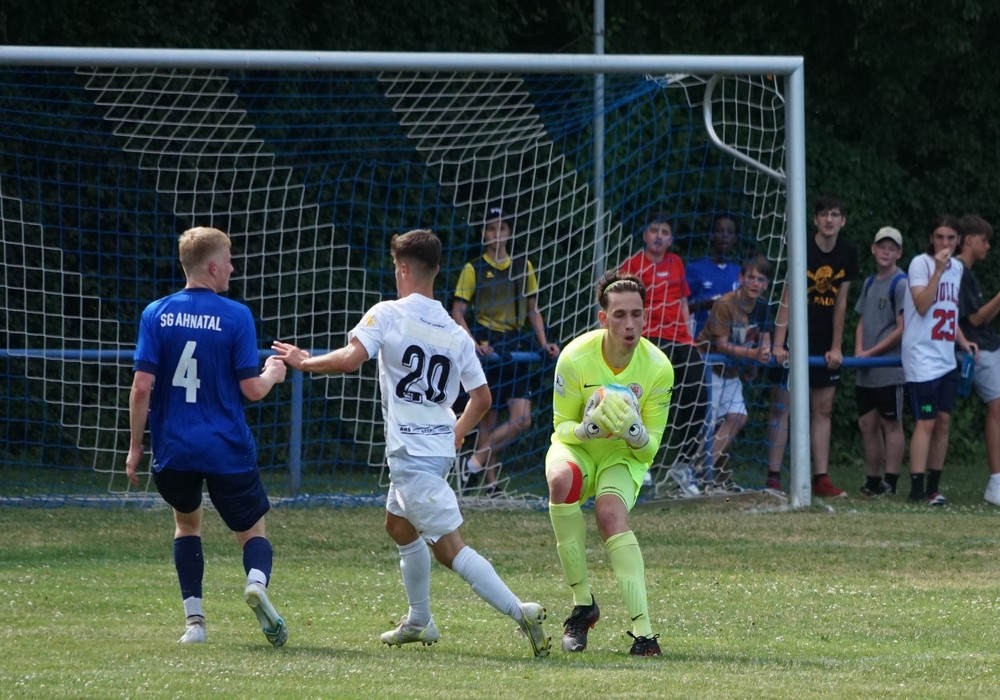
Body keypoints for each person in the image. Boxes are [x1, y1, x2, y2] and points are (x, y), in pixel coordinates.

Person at [271, 229, 550, 657]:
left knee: (450, 549)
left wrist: (304, 361)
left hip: (411, 454)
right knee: (398, 526)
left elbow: (350, 359)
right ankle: (420, 621)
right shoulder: (456, 331)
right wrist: (456, 433)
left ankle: (519, 611)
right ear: (436, 270)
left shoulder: (388, 313)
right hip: (434, 451)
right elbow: (482, 399)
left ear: (402, 269)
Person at [125, 226, 289, 646]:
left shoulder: (156, 313)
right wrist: (272, 373)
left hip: (175, 449)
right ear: (213, 267)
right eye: (229, 261)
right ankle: (256, 583)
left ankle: (194, 624)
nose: (233, 268)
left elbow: (141, 387)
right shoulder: (236, 316)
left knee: (186, 525)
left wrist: (136, 445)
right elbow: (252, 390)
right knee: (253, 532)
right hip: (225, 448)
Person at [546, 269, 674, 657]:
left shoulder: (658, 367)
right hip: (580, 447)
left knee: (609, 516)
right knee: (561, 480)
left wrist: (635, 433)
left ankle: (645, 636)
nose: (629, 324)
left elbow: (650, 449)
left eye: (636, 314)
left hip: (623, 454)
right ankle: (583, 606)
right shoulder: (574, 358)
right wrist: (586, 430)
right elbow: (560, 426)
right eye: (619, 315)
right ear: (603, 318)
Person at [451, 204, 560, 495]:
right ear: (484, 234)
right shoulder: (473, 268)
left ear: (509, 232)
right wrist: (474, 345)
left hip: (515, 346)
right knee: (488, 419)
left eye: (502, 228)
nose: (497, 234)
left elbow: (533, 310)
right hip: (487, 346)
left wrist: (544, 344)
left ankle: (471, 463)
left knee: (522, 420)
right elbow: (457, 312)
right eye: (491, 229)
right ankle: (491, 485)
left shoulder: (524, 266)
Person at [765, 194, 858, 496]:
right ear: (816, 220)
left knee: (823, 408)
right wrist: (779, 344)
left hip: (823, 340)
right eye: (824, 214)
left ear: (843, 220)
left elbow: (841, 303)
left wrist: (836, 346)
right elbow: (787, 297)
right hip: (794, 338)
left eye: (835, 214)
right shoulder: (802, 247)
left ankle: (821, 478)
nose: (829, 219)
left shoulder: (848, 252)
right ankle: (773, 477)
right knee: (783, 406)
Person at [619, 209, 707, 494]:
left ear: (671, 239)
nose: (659, 236)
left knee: (698, 395)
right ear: (645, 235)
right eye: (654, 230)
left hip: (679, 340)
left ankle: (683, 464)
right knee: (645, 397)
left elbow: (682, 302)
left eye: (665, 232)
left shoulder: (676, 263)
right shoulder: (632, 264)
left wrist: (690, 338)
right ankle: (639, 461)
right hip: (648, 339)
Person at [901, 215, 976, 505]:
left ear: (958, 240)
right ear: (931, 238)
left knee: (943, 421)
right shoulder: (920, 264)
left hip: (945, 356)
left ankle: (934, 488)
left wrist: (962, 340)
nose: (945, 243)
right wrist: (938, 270)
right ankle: (916, 488)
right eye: (940, 237)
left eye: (950, 238)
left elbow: (948, 310)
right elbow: (922, 305)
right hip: (921, 357)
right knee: (927, 421)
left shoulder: (958, 268)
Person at [696, 255, 773, 490]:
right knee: (707, 422)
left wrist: (759, 359)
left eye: (761, 279)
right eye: (751, 277)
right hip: (708, 366)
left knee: (738, 416)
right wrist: (752, 355)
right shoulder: (726, 303)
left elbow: (764, 341)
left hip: (731, 370)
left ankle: (701, 469)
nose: (755, 283)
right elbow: (721, 345)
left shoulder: (762, 307)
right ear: (741, 278)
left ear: (766, 284)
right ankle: (692, 470)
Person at [853, 227, 907, 497]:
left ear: (899, 253)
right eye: (882, 247)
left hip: (889, 369)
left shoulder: (901, 283)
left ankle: (891, 482)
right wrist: (859, 352)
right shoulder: (869, 282)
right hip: (866, 369)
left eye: (891, 248)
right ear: (873, 249)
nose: (886, 252)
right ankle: (873, 480)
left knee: (891, 424)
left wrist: (871, 353)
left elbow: (902, 328)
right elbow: (862, 320)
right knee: (867, 425)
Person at [954, 214, 1000, 506]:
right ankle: (996, 482)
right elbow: (974, 319)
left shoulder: (967, 273)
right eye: (985, 241)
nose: (988, 247)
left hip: (988, 344)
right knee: (997, 408)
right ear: (969, 239)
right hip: (976, 350)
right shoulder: (958, 270)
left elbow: (983, 318)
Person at [687, 214, 743, 338]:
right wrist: (703, 305)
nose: (725, 236)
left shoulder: (740, 273)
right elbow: (681, 308)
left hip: (732, 343)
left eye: (730, 232)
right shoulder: (694, 269)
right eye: (720, 231)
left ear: (735, 239)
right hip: (700, 340)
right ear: (712, 235)